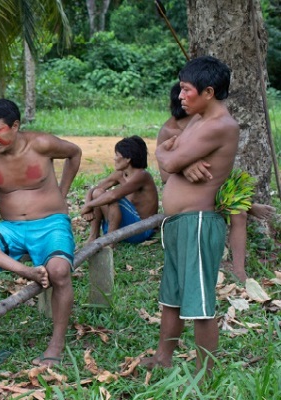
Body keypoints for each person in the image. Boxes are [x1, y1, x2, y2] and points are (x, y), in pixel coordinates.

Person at [0, 99, 82, 367]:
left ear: (15, 126)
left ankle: (56, 346)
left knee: (59, 271)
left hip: (50, 224)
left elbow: (75, 153)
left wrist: (62, 193)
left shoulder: (41, 144)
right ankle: (25, 271)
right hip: (11, 229)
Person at [142, 56, 239, 375]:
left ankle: (204, 375)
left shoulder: (218, 125)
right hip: (179, 223)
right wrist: (180, 159)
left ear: (208, 92)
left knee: (199, 304)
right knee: (171, 297)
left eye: (186, 90)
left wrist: (166, 154)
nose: (180, 96)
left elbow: (167, 160)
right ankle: (163, 357)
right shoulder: (197, 120)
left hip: (198, 222)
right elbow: (174, 157)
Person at [157, 83, 275, 282]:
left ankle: (239, 269)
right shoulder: (169, 130)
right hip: (191, 188)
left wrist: (184, 160)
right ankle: (248, 205)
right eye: (182, 95)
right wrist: (184, 165)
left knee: (239, 213)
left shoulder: (201, 119)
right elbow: (167, 172)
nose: (184, 99)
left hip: (215, 181)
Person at [81, 135, 158, 244]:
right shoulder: (120, 174)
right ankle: (94, 236)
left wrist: (89, 205)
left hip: (140, 231)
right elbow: (95, 190)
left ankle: (110, 243)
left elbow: (113, 195)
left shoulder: (142, 176)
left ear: (128, 158)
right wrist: (88, 205)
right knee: (98, 193)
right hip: (122, 229)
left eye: (117, 155)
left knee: (112, 198)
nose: (114, 158)